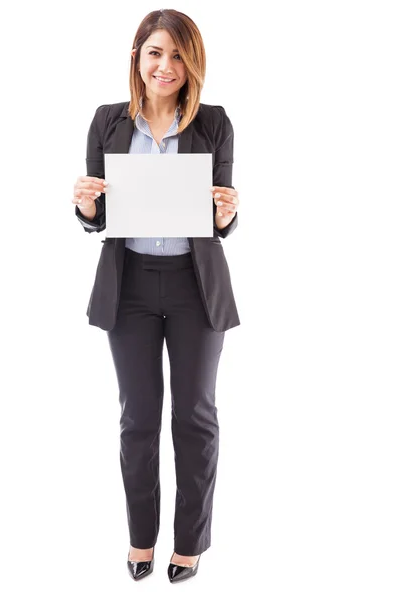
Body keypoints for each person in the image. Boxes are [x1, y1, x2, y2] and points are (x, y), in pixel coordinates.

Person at [72, 8, 241, 584]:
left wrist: (226, 212)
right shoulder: (108, 121)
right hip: (132, 285)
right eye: (155, 53)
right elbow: (95, 219)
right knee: (137, 419)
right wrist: (87, 205)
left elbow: (218, 220)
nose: (164, 66)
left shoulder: (214, 123)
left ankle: (190, 542)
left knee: (194, 416)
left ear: (191, 64)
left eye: (176, 55)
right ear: (137, 56)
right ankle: (141, 537)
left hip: (197, 286)